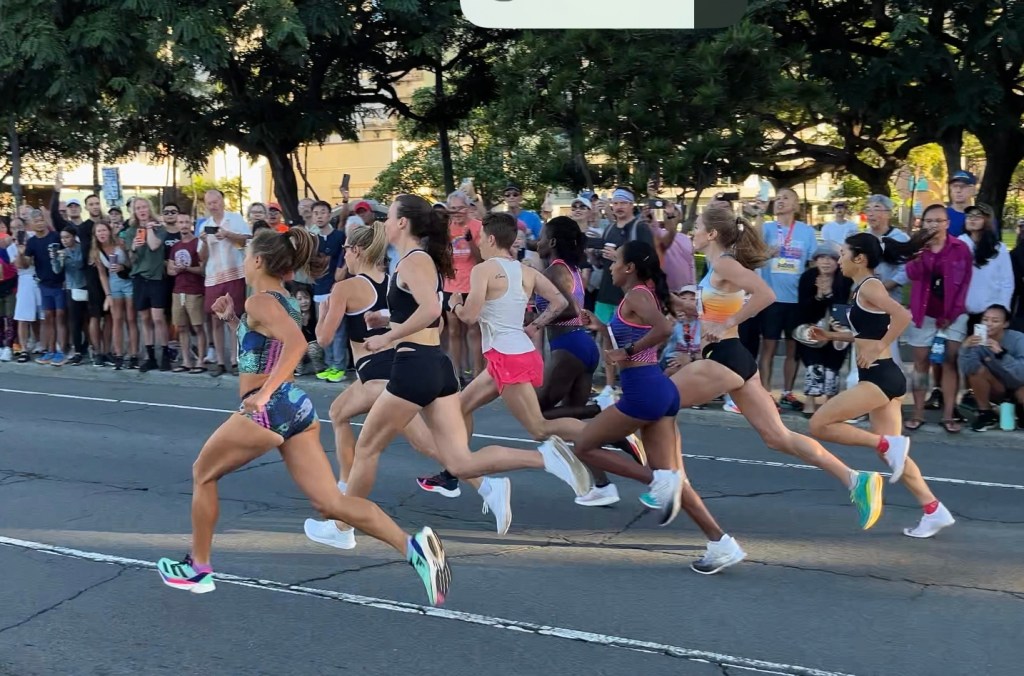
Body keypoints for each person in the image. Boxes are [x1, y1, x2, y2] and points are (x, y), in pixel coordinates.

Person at [156, 227, 452, 605]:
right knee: (331, 503)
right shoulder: (282, 299)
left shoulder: (259, 302)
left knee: (203, 472)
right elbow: (265, 348)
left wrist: (264, 393)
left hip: (270, 407)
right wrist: (233, 321)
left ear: (258, 260)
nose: (243, 262)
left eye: (246, 255)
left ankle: (198, 568)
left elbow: (295, 345)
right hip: (296, 407)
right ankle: (415, 549)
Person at [342, 195, 593, 537]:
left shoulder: (433, 263)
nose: (383, 223)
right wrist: (387, 319)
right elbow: (433, 316)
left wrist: (391, 335)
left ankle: (342, 525)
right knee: (459, 457)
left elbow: (439, 312)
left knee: (368, 448)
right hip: (457, 362)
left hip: (429, 364)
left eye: (390, 217)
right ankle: (525, 469)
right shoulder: (515, 269)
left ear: (402, 223)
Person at [668, 206, 886, 532]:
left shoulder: (725, 263)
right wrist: (679, 305)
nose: (692, 232)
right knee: (778, 438)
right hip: (732, 357)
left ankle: (671, 482)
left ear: (711, 233)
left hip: (725, 357)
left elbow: (765, 294)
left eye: (696, 226)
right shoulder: (715, 266)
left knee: (659, 406)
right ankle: (856, 479)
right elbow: (713, 311)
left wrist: (728, 322)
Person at [303, 223, 492, 547]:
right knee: (338, 413)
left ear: (356, 251)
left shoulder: (345, 288)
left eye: (346, 249)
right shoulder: (391, 279)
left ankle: (484, 483)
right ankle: (345, 486)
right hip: (398, 364)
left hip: (378, 375)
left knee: (421, 443)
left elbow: (322, 339)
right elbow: (430, 320)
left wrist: (324, 311)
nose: (344, 255)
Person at [571, 240, 746, 574]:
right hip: (656, 390)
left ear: (629, 267)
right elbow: (627, 338)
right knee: (674, 479)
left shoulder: (638, 295)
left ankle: (654, 480)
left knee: (584, 446)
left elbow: (664, 329)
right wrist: (601, 327)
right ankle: (721, 543)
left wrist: (627, 351)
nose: (610, 267)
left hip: (644, 392)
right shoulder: (640, 295)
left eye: (616, 261)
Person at [807, 232, 954, 538]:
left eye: (843, 253)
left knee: (819, 424)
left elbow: (903, 315)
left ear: (860, 258)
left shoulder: (870, 286)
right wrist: (832, 336)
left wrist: (879, 346)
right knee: (891, 456)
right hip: (880, 376)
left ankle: (888, 443)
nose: (839, 259)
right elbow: (866, 334)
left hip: (880, 377)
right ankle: (933, 509)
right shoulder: (862, 287)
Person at [904, 204, 973, 433]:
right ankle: (918, 413)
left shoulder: (960, 248)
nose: (934, 225)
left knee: (949, 362)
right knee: (921, 363)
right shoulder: (918, 247)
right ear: (923, 223)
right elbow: (912, 274)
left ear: (947, 223)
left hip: (953, 314)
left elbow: (964, 283)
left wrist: (951, 314)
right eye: (929, 221)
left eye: (938, 220)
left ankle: (948, 415)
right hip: (923, 314)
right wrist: (917, 253)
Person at [795, 245, 852, 415]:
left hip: (837, 328)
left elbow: (842, 307)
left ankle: (830, 403)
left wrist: (828, 293)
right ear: (815, 261)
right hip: (811, 326)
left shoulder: (845, 278)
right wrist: (819, 295)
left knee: (832, 366)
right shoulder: (807, 277)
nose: (826, 262)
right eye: (821, 258)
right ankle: (810, 402)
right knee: (813, 364)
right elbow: (804, 308)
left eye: (831, 258)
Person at [961, 304, 1024, 432]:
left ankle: (1019, 410)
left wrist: (1001, 354)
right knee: (977, 371)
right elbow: (968, 370)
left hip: (1019, 385)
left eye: (995, 321)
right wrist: (965, 349)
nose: (989, 324)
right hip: (997, 386)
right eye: (985, 320)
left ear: (1005, 324)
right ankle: (986, 414)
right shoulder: (978, 340)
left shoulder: (1019, 339)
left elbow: (1021, 373)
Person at [16, 209, 66, 366]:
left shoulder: (55, 236)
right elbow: (25, 265)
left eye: (41, 220)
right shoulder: (31, 242)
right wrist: (21, 253)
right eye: (36, 221)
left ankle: (61, 351)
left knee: (60, 317)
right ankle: (50, 350)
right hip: (44, 285)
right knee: (48, 317)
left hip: (60, 284)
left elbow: (66, 254)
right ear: (31, 224)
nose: (39, 223)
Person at [94, 220, 138, 369]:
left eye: (104, 230)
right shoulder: (96, 251)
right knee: (117, 319)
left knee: (131, 319)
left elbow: (132, 263)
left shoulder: (120, 243)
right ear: (95, 234)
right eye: (99, 231)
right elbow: (102, 275)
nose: (102, 233)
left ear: (109, 231)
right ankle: (119, 355)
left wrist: (122, 266)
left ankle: (133, 354)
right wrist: (108, 295)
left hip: (128, 280)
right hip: (113, 283)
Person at [167, 213, 208, 373]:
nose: (183, 225)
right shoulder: (176, 246)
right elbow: (170, 270)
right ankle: (186, 361)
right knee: (181, 327)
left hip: (194, 290)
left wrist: (187, 268)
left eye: (186, 222)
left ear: (191, 224)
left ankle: (200, 361)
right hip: (178, 291)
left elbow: (203, 269)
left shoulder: (197, 243)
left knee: (197, 326)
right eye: (180, 222)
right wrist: (176, 270)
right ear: (177, 224)